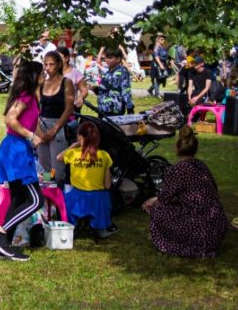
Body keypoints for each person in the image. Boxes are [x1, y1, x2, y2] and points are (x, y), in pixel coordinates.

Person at [0, 60, 45, 262]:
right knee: (36, 200)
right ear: (33, 76)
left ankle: (3, 247)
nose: (45, 75)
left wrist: (42, 136)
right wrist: (30, 135)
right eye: (41, 72)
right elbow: (10, 119)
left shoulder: (33, 97)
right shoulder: (26, 95)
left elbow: (30, 123)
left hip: (18, 149)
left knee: (19, 199)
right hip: (15, 151)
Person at [143, 127, 227, 258]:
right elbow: (213, 190)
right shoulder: (201, 166)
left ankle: (171, 243)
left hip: (198, 225)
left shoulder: (177, 170)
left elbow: (166, 197)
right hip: (216, 223)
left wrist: (152, 201)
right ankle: (204, 245)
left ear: (177, 149)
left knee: (157, 210)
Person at [57, 121, 113, 239]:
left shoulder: (73, 153)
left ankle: (71, 225)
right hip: (98, 201)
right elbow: (107, 185)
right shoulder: (104, 155)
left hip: (77, 199)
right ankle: (100, 227)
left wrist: (73, 145)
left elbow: (59, 157)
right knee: (105, 195)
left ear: (80, 137)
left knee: (65, 194)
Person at [37, 51, 75, 187]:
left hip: (58, 125)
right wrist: (39, 132)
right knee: (45, 165)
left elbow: (69, 108)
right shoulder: (42, 83)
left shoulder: (66, 83)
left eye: (51, 64)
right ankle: (50, 195)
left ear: (59, 64)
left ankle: (60, 193)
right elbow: (35, 108)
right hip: (41, 125)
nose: (48, 68)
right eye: (45, 64)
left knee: (57, 169)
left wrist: (55, 129)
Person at [94, 48, 133, 115]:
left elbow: (126, 90)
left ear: (118, 59)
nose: (107, 60)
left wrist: (130, 109)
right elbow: (105, 90)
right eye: (106, 58)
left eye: (110, 58)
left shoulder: (122, 72)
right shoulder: (107, 73)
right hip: (103, 108)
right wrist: (95, 89)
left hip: (115, 109)